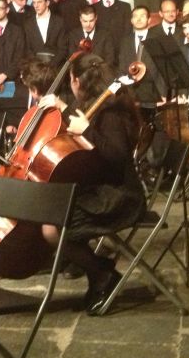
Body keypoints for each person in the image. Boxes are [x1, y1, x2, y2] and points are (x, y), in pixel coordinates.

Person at [40, 54, 146, 314]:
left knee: (52, 227)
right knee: (49, 216)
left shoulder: (111, 112)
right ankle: (99, 273)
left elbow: (117, 154)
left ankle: (101, 273)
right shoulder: (97, 105)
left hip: (120, 197)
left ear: (78, 81)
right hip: (103, 190)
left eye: (71, 80)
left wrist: (86, 129)